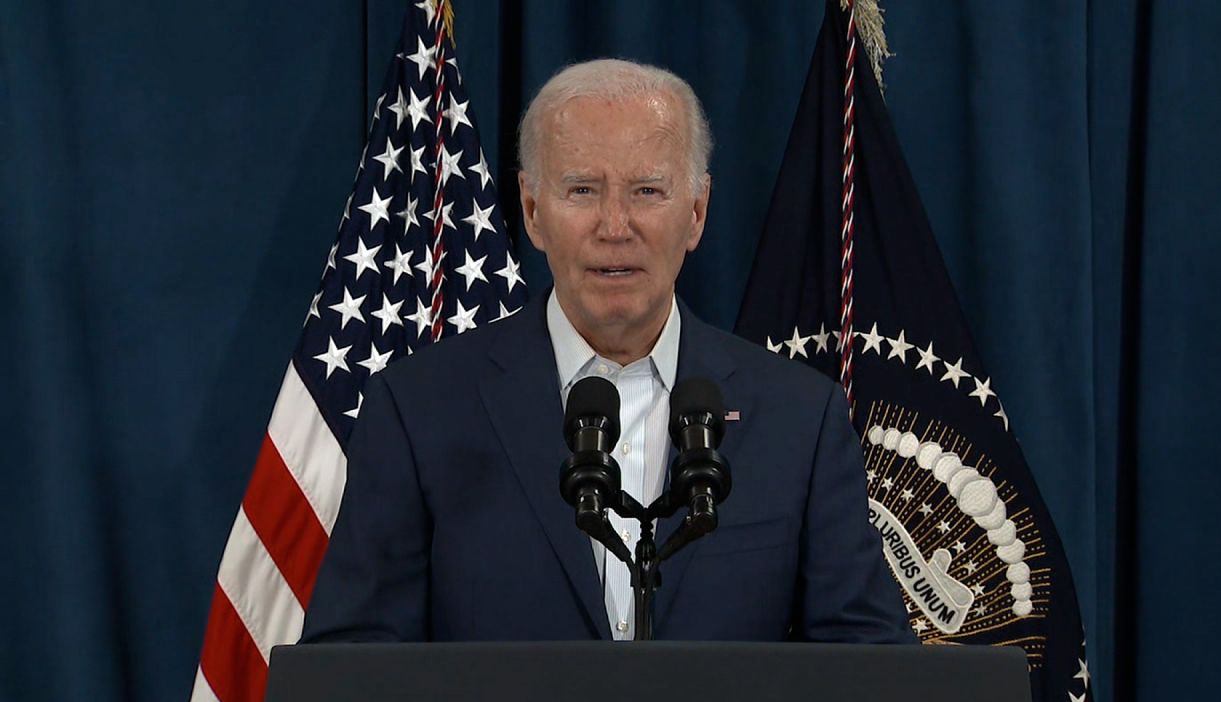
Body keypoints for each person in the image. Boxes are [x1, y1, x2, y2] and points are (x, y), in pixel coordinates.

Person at [300, 59, 915, 644]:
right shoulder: (419, 410)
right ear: (534, 212)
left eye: (647, 190)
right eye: (582, 190)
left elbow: (870, 666)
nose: (615, 225)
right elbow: (358, 667)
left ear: (696, 212)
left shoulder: (800, 419)